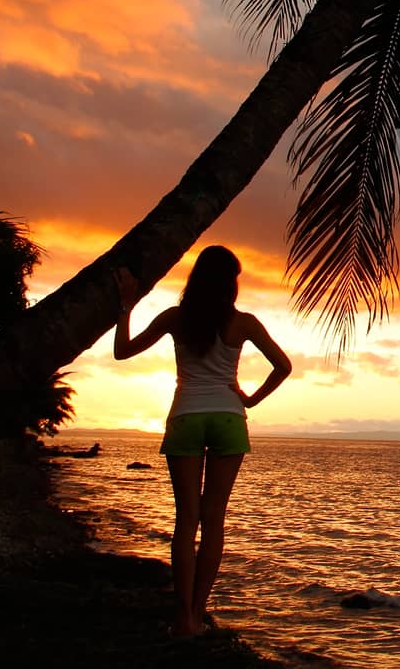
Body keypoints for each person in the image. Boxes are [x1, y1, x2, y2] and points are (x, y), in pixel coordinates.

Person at [113, 246, 293, 637]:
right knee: (214, 522)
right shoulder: (244, 323)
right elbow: (284, 366)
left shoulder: (177, 318)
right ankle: (198, 614)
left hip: (186, 417)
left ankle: (183, 619)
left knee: (186, 521)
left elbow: (122, 352)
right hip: (229, 418)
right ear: (230, 283)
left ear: (196, 278)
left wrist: (125, 307)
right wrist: (249, 398)